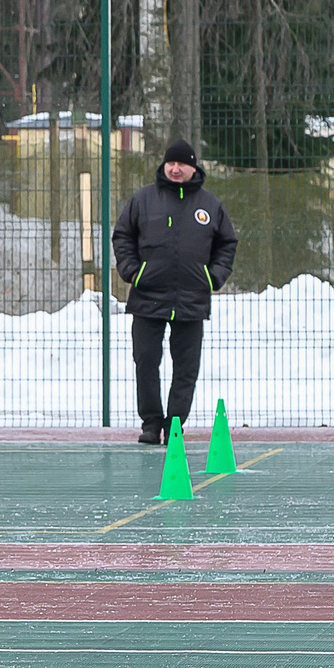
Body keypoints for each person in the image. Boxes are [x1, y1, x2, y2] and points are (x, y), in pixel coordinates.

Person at [111, 139, 237, 445]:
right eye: (171, 164)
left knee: (186, 368)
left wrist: (212, 278)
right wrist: (133, 271)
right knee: (146, 362)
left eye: (182, 164)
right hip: (147, 298)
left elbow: (227, 244)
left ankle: (175, 424)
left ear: (194, 168)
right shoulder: (143, 200)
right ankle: (151, 424)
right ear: (164, 165)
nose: (176, 169)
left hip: (192, 300)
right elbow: (122, 236)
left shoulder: (210, 205)